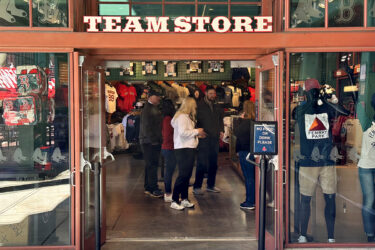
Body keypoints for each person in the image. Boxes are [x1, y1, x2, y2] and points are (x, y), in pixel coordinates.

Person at [294, 79, 349, 243]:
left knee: (309, 199)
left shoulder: (303, 108)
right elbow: (344, 112)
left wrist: (326, 100)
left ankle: (308, 235)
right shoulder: (313, 108)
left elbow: (344, 113)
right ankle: (324, 236)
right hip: (321, 161)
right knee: (321, 199)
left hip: (315, 162)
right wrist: (326, 100)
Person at [170, 97, 206, 210]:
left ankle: (184, 199)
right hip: (183, 149)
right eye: (194, 105)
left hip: (187, 148)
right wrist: (197, 131)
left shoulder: (185, 117)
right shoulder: (181, 117)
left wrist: (196, 135)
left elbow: (185, 132)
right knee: (183, 175)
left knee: (187, 176)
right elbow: (182, 133)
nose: (195, 108)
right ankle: (174, 200)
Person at [193, 86, 224, 195]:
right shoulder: (199, 105)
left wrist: (221, 130)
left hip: (215, 138)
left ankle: (211, 185)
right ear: (206, 93)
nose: (213, 95)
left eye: (214, 94)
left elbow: (221, 118)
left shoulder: (216, 105)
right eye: (210, 93)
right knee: (201, 163)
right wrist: (197, 132)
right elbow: (194, 119)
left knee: (213, 163)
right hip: (204, 137)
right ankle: (197, 186)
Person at [139, 88, 164, 198]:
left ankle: (148, 187)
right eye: (157, 96)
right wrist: (153, 140)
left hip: (150, 141)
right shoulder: (147, 109)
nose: (159, 98)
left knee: (150, 165)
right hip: (149, 142)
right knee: (152, 164)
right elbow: (146, 127)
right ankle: (153, 188)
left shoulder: (153, 107)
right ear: (150, 97)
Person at [357, 93, 375, 242]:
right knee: (369, 200)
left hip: (367, 167)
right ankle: (370, 235)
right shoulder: (367, 121)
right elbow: (358, 105)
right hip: (367, 167)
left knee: (370, 200)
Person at [235, 102, 256, 210]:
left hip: (245, 152)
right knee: (252, 177)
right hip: (253, 151)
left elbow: (237, 133)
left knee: (248, 177)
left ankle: (250, 201)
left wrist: (240, 120)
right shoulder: (254, 122)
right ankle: (254, 199)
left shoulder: (244, 122)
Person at [161, 99, 177, 202]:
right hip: (169, 147)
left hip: (168, 147)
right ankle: (167, 193)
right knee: (169, 172)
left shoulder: (165, 118)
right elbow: (167, 135)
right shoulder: (168, 119)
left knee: (169, 171)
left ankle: (168, 192)